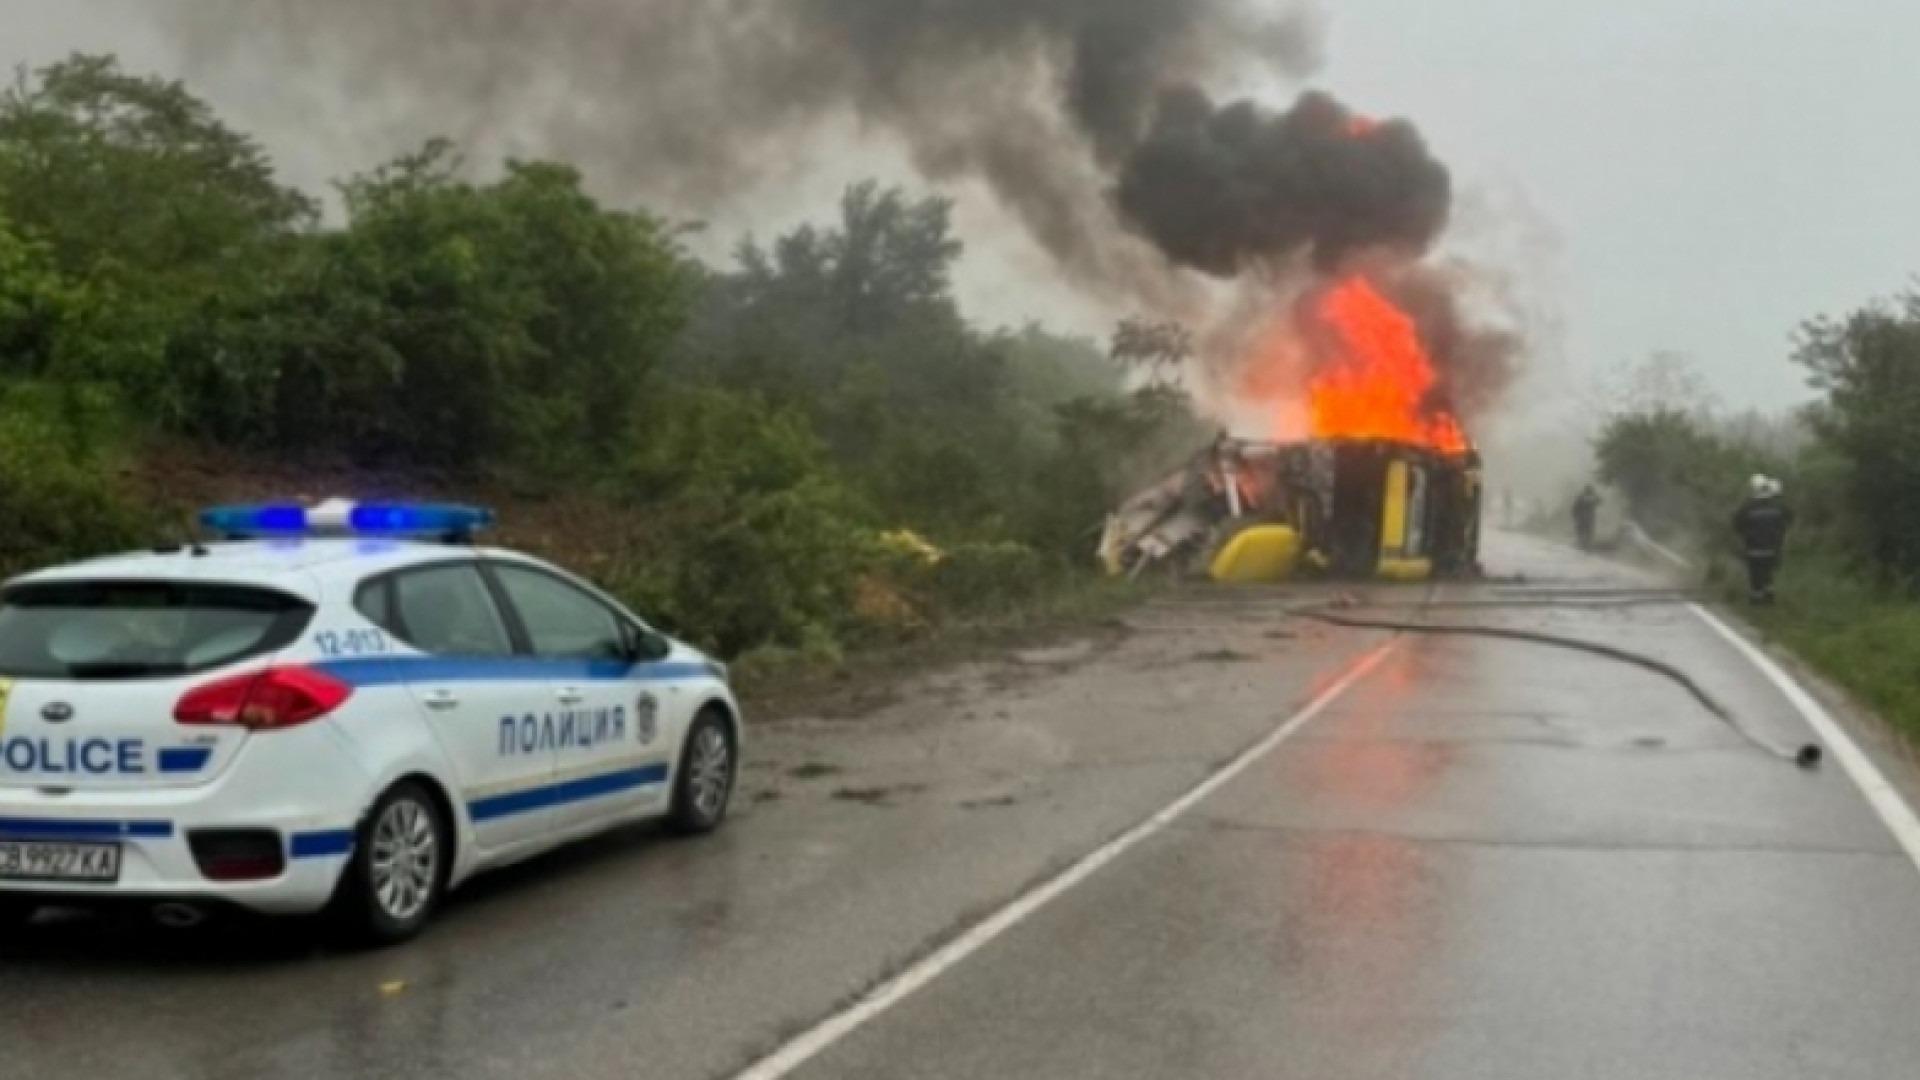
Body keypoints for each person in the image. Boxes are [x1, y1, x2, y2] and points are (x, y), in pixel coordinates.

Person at [1732, 475, 1794, 605]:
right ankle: (1768, 594)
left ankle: (1757, 598)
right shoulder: (1778, 507)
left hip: (1754, 549)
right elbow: (1789, 520)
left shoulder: (1747, 507)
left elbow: (1737, 525)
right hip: (1773, 549)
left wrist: (1745, 536)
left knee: (1756, 574)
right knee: (1768, 571)